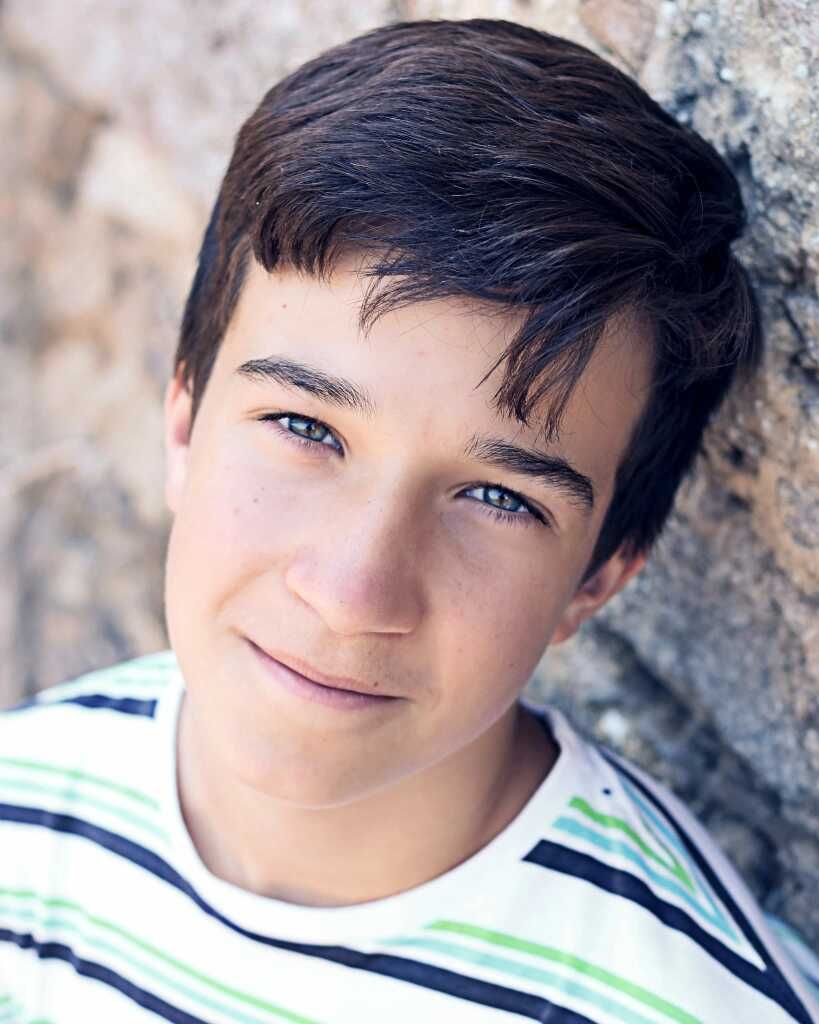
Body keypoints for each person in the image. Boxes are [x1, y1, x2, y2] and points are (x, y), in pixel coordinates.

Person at [1, 16, 817, 1023]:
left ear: (600, 576)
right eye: (305, 426)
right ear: (183, 420)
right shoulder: (20, 824)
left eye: (499, 497)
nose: (351, 594)